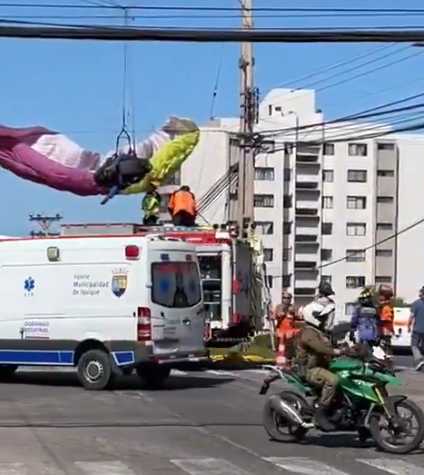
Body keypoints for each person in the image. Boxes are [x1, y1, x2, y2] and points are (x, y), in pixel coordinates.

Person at [292, 281, 345, 432]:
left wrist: (348, 349)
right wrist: (338, 352)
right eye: (325, 317)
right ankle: (321, 415)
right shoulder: (310, 332)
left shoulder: (321, 333)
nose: (328, 320)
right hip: (310, 370)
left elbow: (330, 346)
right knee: (333, 380)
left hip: (321, 366)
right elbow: (322, 349)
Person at [272, 291, 299, 367]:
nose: (286, 299)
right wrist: (282, 313)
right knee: (281, 349)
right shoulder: (279, 307)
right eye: (284, 298)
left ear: (290, 299)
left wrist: (294, 313)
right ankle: (280, 364)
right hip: (281, 332)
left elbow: (299, 317)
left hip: (291, 332)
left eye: (288, 298)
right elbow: (274, 317)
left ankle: (289, 364)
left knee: (291, 350)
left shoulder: (293, 307)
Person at [408, 286, 424, 371]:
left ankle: (419, 360)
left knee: (414, 345)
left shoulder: (416, 303)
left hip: (417, 329)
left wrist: (408, 325)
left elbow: (412, 316)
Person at [377, 284, 395, 357]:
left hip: (385, 330)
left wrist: (378, 320)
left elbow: (386, 319)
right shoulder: (383, 307)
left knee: (385, 345)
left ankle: (387, 358)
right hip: (384, 329)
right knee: (384, 345)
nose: (379, 298)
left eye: (381, 296)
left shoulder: (386, 308)